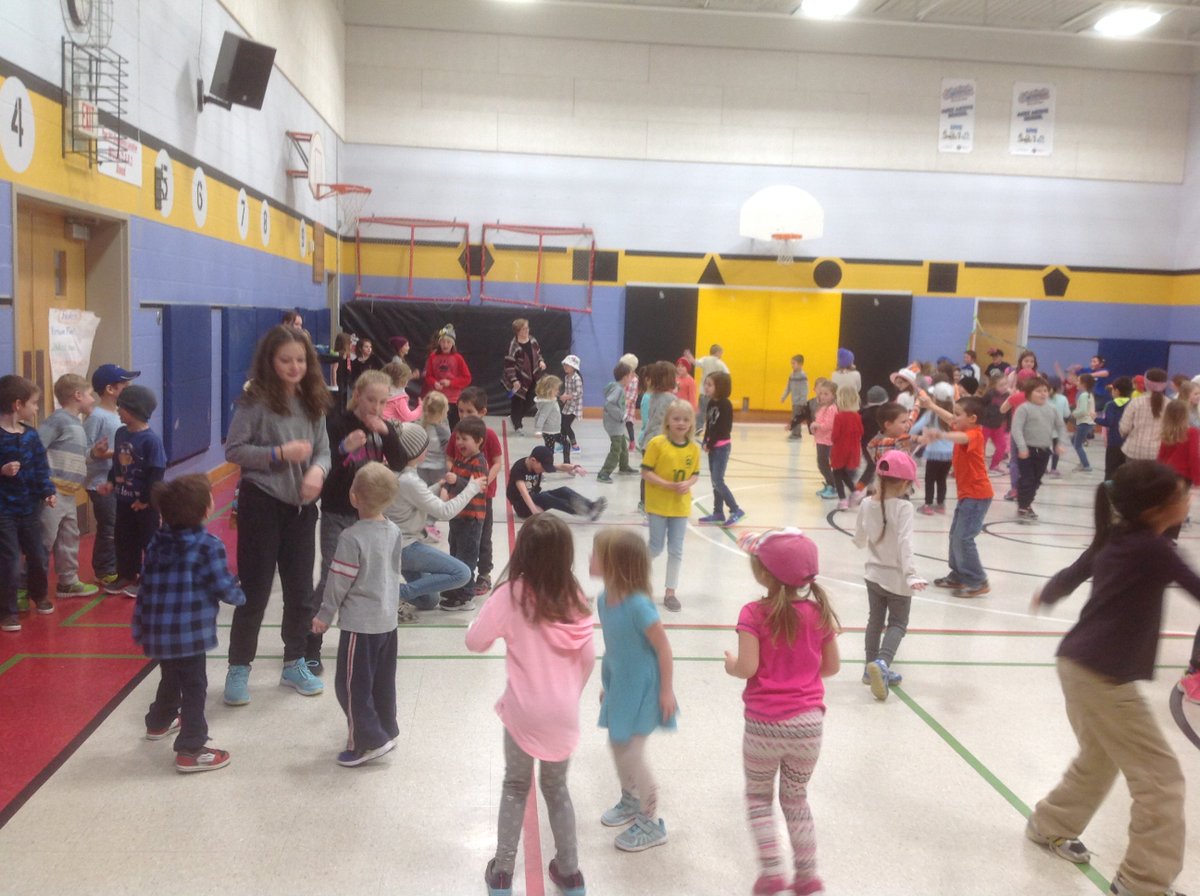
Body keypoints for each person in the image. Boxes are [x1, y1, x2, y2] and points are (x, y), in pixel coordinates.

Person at [1026, 461, 1198, 896]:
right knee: (1161, 781)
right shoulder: (1153, 549)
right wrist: (1051, 591)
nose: (1188, 498)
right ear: (1158, 509)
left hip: (1077, 664)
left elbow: (1073, 574)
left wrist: (1048, 593)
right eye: (1181, 494)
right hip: (1102, 678)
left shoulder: (1119, 535)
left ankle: (1050, 824)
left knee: (1099, 757)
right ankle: (1142, 883)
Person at [467, 515, 595, 896]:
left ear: (522, 551)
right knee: (557, 788)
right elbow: (588, 658)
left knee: (515, 785)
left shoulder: (511, 595)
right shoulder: (575, 595)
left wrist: (479, 622)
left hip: (523, 713)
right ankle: (570, 873)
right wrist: (569, 695)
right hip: (563, 714)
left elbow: (476, 641)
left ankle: (502, 872)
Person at [724, 528, 840, 895]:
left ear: (764, 573)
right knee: (796, 799)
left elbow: (747, 667)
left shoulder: (753, 613)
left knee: (759, 798)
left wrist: (731, 665)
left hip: (763, 726)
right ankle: (807, 877)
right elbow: (831, 667)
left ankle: (773, 871)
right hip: (808, 726)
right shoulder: (819, 613)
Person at [222, 326, 331, 706]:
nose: (294, 366)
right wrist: (278, 454)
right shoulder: (254, 400)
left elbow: (323, 450)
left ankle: (294, 661)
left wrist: (318, 471)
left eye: (300, 360)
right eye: (286, 360)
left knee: (300, 592)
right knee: (254, 591)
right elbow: (234, 449)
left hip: (301, 510)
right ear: (271, 360)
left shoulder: (314, 399)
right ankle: (239, 667)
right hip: (262, 504)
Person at [134, 474, 245, 773]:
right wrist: (240, 595)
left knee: (170, 675)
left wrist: (140, 626)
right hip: (190, 633)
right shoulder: (208, 545)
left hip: (159, 631)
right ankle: (191, 748)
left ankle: (159, 721)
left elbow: (146, 586)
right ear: (205, 509)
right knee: (195, 687)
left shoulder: (157, 541)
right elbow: (222, 585)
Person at [311, 370, 405, 674]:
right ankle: (310, 643)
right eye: (370, 400)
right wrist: (343, 449)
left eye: (382, 402)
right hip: (338, 512)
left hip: (371, 517)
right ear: (357, 396)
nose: (376, 407)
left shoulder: (382, 428)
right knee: (331, 574)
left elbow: (400, 462)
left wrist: (387, 433)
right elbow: (325, 471)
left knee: (372, 576)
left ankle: (368, 635)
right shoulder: (337, 424)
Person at [311, 462, 403, 767]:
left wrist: (325, 614)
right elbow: (394, 572)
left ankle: (367, 742)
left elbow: (338, 580)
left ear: (354, 497)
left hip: (360, 628)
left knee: (351, 687)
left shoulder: (351, 538)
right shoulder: (394, 530)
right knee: (381, 682)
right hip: (387, 623)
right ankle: (386, 730)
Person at [592, 527, 677, 853]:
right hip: (621, 685)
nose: (590, 558)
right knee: (617, 745)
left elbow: (663, 649)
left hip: (646, 689)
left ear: (614, 563)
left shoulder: (639, 605)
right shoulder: (603, 600)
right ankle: (630, 800)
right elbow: (616, 648)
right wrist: (608, 685)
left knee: (633, 753)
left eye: (596, 554)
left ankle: (650, 822)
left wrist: (666, 691)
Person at [387, 422, 482, 621]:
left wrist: (438, 486)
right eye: (425, 446)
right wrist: (471, 488)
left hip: (395, 545)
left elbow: (415, 500)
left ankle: (396, 590)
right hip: (405, 547)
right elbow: (445, 512)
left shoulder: (399, 474)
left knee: (428, 600)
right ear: (415, 452)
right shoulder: (409, 480)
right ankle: (397, 593)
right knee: (462, 573)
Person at [853, 452, 925, 701]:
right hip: (897, 579)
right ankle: (882, 664)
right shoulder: (904, 508)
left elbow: (859, 537)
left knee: (875, 621)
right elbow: (905, 543)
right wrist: (911, 575)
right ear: (905, 483)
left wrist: (861, 540)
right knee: (897, 623)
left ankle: (869, 667)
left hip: (873, 575)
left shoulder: (866, 503)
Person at [917, 394, 994, 598]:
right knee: (955, 536)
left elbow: (962, 438)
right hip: (967, 495)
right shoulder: (963, 427)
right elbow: (949, 419)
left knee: (964, 538)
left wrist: (940, 435)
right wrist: (931, 405)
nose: (953, 418)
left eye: (958, 414)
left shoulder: (975, 434)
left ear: (973, 418)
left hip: (977, 496)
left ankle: (977, 580)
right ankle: (959, 575)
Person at [98, 385, 167, 599]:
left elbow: (156, 472)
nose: (118, 411)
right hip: (123, 500)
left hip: (145, 505)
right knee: (124, 539)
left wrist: (146, 499)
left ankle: (149, 580)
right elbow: (117, 465)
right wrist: (111, 483)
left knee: (148, 541)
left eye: (122, 407)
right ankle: (127, 574)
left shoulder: (151, 440)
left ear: (135, 410)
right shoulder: (121, 433)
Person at [0, 375, 56, 631]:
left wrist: (47, 491)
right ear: (17, 404)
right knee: (10, 560)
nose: (36, 409)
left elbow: (40, 468)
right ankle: (7, 610)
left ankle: (39, 594)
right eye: (33, 403)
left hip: (30, 507)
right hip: (4, 511)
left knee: (38, 554)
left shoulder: (31, 435)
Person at [38, 374, 99, 599]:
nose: (93, 399)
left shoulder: (76, 423)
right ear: (78, 395)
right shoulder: (58, 420)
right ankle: (24, 585)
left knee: (68, 537)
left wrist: (94, 453)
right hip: (53, 492)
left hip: (69, 493)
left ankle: (68, 582)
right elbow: (36, 447)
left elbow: (77, 456)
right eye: (90, 394)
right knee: (44, 539)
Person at [83, 364, 139, 587]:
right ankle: (104, 568)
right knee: (109, 525)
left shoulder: (120, 415)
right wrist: (111, 453)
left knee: (119, 525)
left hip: (118, 480)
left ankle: (118, 565)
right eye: (124, 383)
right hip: (100, 482)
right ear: (110, 389)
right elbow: (85, 451)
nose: (128, 386)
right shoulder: (97, 417)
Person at [642, 400, 700, 612]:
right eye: (676, 419)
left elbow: (695, 474)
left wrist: (688, 483)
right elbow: (645, 472)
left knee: (676, 550)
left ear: (691, 423)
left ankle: (670, 592)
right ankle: (636, 579)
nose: (681, 423)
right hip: (658, 504)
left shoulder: (693, 448)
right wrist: (666, 484)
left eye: (685, 419)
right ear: (667, 421)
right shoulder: (657, 444)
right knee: (655, 547)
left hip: (680, 507)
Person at [452, 386, 504, 595]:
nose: (464, 416)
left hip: (483, 498)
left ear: (482, 412)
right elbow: (450, 458)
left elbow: (498, 462)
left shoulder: (488, 435)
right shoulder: (458, 435)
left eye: (470, 411)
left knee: (482, 536)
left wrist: (482, 482)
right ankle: (458, 574)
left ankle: (484, 574)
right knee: (458, 536)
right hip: (461, 496)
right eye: (461, 411)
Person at [439, 416, 490, 612]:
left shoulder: (479, 462)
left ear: (478, 441)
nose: (459, 442)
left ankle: (466, 595)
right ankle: (455, 588)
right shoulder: (460, 460)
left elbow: (477, 487)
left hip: (471, 519)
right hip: (457, 517)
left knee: (466, 556)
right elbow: (452, 482)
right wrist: (446, 488)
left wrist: (456, 481)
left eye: (464, 439)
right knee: (454, 554)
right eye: (458, 438)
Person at [1010, 376, 1067, 522]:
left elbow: (1061, 426)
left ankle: (1027, 504)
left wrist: (1060, 443)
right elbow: (1016, 429)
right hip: (1027, 451)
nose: (1043, 394)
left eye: (1045, 391)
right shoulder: (1024, 409)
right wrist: (1022, 447)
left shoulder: (1052, 409)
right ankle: (1023, 506)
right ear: (1029, 393)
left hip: (1043, 451)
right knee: (1027, 479)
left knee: (1036, 481)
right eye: (1038, 391)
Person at [507, 444, 605, 522]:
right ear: (533, 460)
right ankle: (584, 511)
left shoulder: (536, 463)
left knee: (564, 490)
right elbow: (523, 492)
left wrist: (575, 467)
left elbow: (560, 467)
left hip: (534, 498)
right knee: (545, 496)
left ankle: (591, 506)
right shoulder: (518, 469)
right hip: (522, 507)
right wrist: (534, 511)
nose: (544, 470)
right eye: (543, 468)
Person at [697, 371, 744, 527]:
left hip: (721, 448)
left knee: (718, 480)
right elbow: (710, 425)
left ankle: (735, 509)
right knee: (714, 481)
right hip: (712, 447)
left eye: (710, 385)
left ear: (720, 387)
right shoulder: (711, 403)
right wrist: (705, 440)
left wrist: (710, 444)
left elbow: (723, 428)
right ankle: (718, 512)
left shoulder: (725, 405)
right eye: (706, 384)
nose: (706, 387)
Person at [910, 398, 954, 515]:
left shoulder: (931, 414)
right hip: (949, 453)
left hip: (934, 453)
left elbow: (915, 428)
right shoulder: (952, 414)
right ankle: (940, 504)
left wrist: (912, 436)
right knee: (942, 479)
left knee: (930, 480)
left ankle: (928, 504)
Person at [423, 325, 472, 430]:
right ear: (439, 343)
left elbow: (467, 378)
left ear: (452, 344)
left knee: (453, 427)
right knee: (436, 426)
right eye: (443, 342)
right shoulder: (433, 357)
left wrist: (450, 383)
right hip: (437, 399)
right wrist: (434, 383)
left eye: (448, 342)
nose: (445, 345)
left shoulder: (458, 358)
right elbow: (428, 376)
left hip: (453, 399)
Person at [597, 362, 638, 483]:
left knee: (623, 446)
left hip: (616, 424)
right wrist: (622, 415)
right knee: (616, 449)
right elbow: (609, 404)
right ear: (625, 377)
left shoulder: (617, 387)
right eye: (630, 376)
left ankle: (624, 466)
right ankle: (604, 472)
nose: (632, 379)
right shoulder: (618, 389)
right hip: (614, 424)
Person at [502, 318, 544, 435]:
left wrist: (541, 361)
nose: (527, 330)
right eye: (524, 329)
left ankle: (514, 418)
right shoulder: (513, 346)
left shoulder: (533, 340)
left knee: (531, 400)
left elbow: (538, 353)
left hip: (533, 376)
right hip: (519, 378)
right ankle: (517, 425)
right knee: (517, 402)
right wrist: (514, 380)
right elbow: (509, 365)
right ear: (517, 331)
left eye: (527, 328)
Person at [1120, 367, 1169, 462]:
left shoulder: (1135, 402)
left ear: (1146, 382)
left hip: (1134, 450)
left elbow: (1124, 428)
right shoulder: (1170, 404)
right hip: (1159, 452)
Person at [830, 385, 863, 511]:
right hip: (853, 449)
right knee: (843, 472)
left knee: (837, 473)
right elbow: (861, 431)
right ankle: (854, 491)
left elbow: (835, 436)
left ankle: (843, 500)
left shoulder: (839, 416)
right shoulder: (857, 416)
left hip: (840, 449)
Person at [416, 391, 452, 501]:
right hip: (438, 469)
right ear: (442, 412)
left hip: (420, 467)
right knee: (435, 499)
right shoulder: (443, 431)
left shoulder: (418, 425)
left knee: (422, 496)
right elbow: (448, 452)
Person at [687, 345, 729, 435]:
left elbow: (696, 362)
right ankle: (713, 428)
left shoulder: (705, 360)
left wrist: (691, 358)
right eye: (721, 353)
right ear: (718, 352)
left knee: (701, 410)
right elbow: (727, 373)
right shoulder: (719, 363)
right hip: (715, 393)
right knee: (714, 411)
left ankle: (698, 427)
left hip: (704, 391)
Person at [1097, 376, 1133, 479]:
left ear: (1116, 391)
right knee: (1126, 473)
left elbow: (1109, 422)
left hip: (1114, 443)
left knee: (1110, 471)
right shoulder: (1133, 404)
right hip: (1129, 443)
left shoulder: (1111, 405)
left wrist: (1095, 418)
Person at [534, 374, 571, 464]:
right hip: (549, 432)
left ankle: (567, 463)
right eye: (556, 389)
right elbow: (542, 416)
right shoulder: (548, 403)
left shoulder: (551, 399)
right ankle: (547, 465)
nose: (558, 391)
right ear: (549, 390)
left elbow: (555, 399)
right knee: (550, 450)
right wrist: (538, 430)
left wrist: (562, 397)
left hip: (555, 430)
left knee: (566, 443)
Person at [810, 380, 837, 499]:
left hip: (828, 441)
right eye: (821, 393)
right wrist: (814, 428)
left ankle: (833, 486)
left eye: (826, 394)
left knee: (824, 464)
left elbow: (829, 425)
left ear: (833, 395)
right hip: (821, 440)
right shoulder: (822, 408)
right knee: (821, 464)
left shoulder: (832, 409)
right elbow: (819, 421)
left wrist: (816, 425)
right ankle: (830, 484)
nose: (823, 396)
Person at [980, 373, 1011, 472]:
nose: (1004, 387)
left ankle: (995, 465)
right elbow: (980, 405)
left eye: (1006, 384)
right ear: (994, 386)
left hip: (998, 425)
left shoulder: (1008, 396)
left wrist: (1008, 425)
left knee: (1002, 445)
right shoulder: (989, 394)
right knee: (981, 446)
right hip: (986, 425)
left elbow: (1008, 411)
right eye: (1001, 385)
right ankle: (979, 465)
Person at [1071, 373, 1097, 472]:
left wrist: (1074, 413)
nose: (1076, 382)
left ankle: (1086, 465)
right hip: (1087, 423)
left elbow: (1082, 411)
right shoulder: (1089, 394)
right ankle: (1083, 461)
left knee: (1077, 445)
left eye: (1078, 381)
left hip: (1084, 423)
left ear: (1084, 384)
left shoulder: (1083, 395)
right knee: (1074, 440)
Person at [782, 354, 810, 441]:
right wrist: (784, 396)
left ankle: (796, 434)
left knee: (796, 418)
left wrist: (803, 400)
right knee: (794, 417)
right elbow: (788, 387)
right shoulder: (792, 375)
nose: (792, 365)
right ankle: (795, 433)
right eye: (792, 363)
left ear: (800, 364)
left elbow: (805, 388)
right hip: (794, 401)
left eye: (794, 363)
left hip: (800, 401)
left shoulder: (803, 375)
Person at [561, 354, 584, 452]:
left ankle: (574, 445)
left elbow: (579, 393)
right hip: (568, 405)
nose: (565, 367)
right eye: (564, 365)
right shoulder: (566, 377)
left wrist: (568, 396)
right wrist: (564, 396)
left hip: (574, 407)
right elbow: (567, 390)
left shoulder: (576, 378)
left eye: (568, 365)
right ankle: (563, 444)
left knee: (566, 425)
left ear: (574, 367)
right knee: (562, 425)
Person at [619, 352, 640, 444]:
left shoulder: (635, 380)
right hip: (621, 404)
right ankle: (620, 441)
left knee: (629, 423)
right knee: (619, 423)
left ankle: (632, 441)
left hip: (629, 405)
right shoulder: (623, 378)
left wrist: (628, 401)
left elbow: (634, 394)